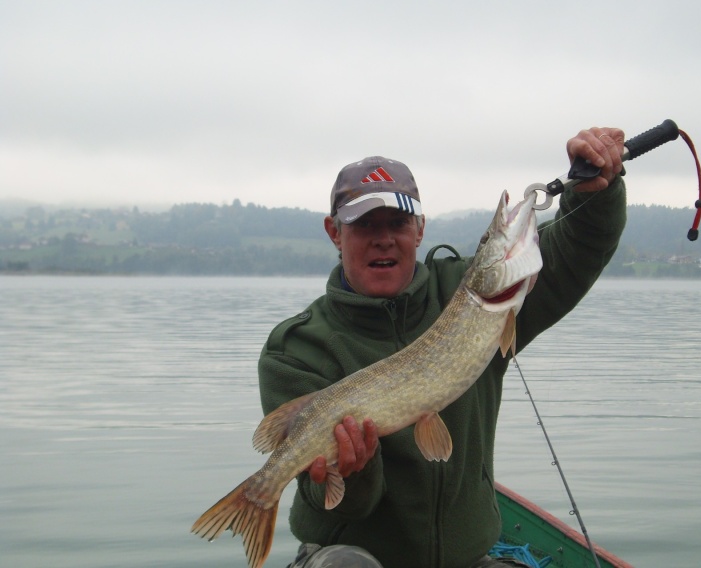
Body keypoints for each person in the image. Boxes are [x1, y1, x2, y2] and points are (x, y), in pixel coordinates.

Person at [258, 128, 627, 568]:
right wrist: (354, 471)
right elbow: (330, 500)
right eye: (364, 225)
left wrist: (594, 192)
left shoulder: (476, 297)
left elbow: (578, 248)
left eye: (397, 223)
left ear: (419, 229)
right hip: (351, 556)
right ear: (334, 233)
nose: (383, 238)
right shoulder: (296, 347)